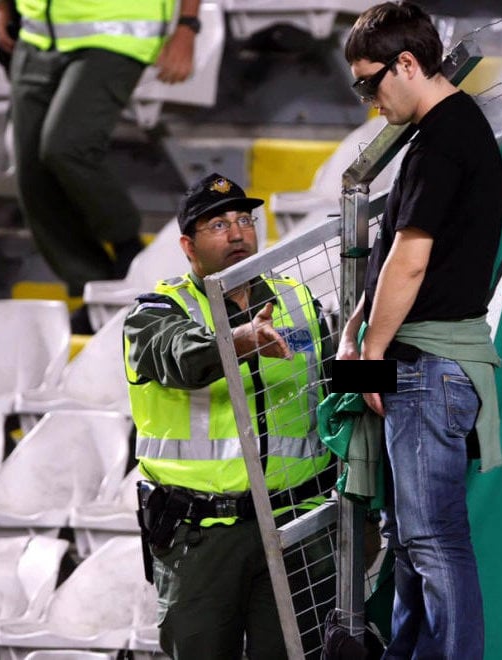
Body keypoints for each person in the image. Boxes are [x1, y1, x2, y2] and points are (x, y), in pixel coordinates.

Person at [336, 3, 502, 659]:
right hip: (425, 366)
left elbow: (409, 260)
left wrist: (371, 351)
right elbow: (389, 259)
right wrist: (356, 328)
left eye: (369, 82)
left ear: (407, 63)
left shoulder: (443, 139)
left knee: (432, 541)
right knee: (411, 540)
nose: (368, 101)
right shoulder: (442, 135)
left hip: (427, 369)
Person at [123, 172, 336, 659]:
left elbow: (341, 383)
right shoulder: (156, 312)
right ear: (187, 245)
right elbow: (183, 360)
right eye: (218, 225)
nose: (238, 232)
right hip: (200, 538)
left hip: (296, 526)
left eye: (245, 219)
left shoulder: (299, 303)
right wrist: (238, 340)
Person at [0, 0, 201, 333]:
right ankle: (96, 290)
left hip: (118, 30)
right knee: (32, 175)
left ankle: (127, 248)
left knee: (66, 145)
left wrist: (187, 26)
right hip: (36, 35)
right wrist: (1, 7)